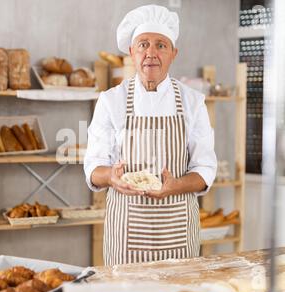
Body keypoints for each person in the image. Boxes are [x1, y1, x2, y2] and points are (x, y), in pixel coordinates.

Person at [84, 5, 217, 265]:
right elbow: (93, 166)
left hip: (178, 235)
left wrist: (175, 186)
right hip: (126, 236)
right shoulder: (111, 101)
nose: (151, 53)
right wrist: (111, 177)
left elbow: (205, 169)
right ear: (132, 52)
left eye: (161, 45)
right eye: (143, 44)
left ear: (173, 53)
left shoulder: (193, 102)